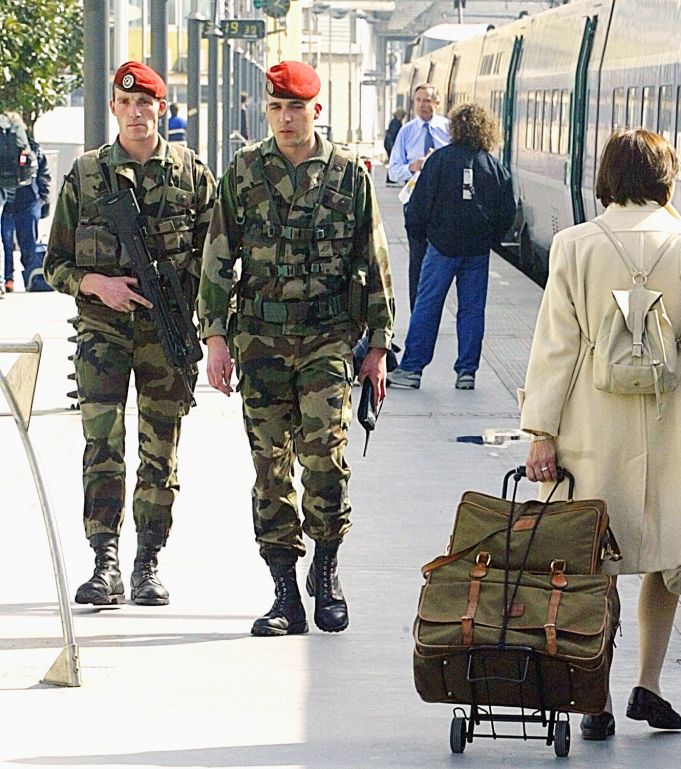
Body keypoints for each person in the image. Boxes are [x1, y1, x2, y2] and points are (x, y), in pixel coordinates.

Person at [519, 129, 681, 740]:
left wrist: (541, 431)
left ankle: (594, 698)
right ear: (667, 178)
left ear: (606, 178)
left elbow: (556, 346)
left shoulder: (572, 246)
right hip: (668, 428)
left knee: (594, 560)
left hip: (587, 427)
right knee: (661, 558)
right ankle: (647, 685)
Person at [198, 60, 395, 637]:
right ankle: (285, 590)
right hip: (258, 340)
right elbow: (217, 257)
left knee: (325, 459)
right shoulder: (243, 173)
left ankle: (327, 568)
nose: (286, 118)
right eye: (277, 107)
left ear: (317, 111)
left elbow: (374, 261)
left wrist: (379, 346)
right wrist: (214, 336)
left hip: (327, 340)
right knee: (269, 467)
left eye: (296, 108)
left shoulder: (347, 176)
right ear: (268, 110)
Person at [44, 61, 216, 607]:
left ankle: (147, 562)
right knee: (103, 444)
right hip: (103, 331)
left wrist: (215, 333)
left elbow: (217, 263)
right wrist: (96, 283)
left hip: (166, 336)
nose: (137, 112)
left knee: (160, 451)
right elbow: (55, 265)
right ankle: (105, 561)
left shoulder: (192, 175)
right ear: (114, 109)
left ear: (160, 109)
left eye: (147, 102)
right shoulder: (87, 174)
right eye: (127, 104)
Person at [388, 104, 515, 391]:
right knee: (471, 309)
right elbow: (507, 211)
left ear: (454, 127)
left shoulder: (439, 160)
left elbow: (420, 204)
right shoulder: (494, 167)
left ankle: (412, 369)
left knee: (428, 305)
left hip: (441, 248)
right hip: (477, 250)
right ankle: (467, 372)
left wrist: (424, 234)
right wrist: (489, 238)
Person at [387, 84, 450, 311]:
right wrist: (412, 167)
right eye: (419, 100)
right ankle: (418, 310)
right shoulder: (406, 132)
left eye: (428, 100)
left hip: (444, 207)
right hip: (416, 203)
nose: (423, 105)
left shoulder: (448, 129)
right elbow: (393, 170)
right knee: (418, 260)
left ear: (437, 103)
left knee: (442, 261)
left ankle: (435, 306)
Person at [1, 135, 50, 292]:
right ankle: (8, 279)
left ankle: (32, 277)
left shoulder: (32, 149)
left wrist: (44, 197)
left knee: (28, 242)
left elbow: (43, 172)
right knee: (6, 243)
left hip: (28, 202)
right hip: (6, 204)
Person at [0, 110, 36, 297]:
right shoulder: (17, 134)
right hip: (15, 192)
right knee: (21, 240)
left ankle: (6, 279)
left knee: (5, 239)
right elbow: (34, 164)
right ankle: (11, 279)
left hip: (8, 197)